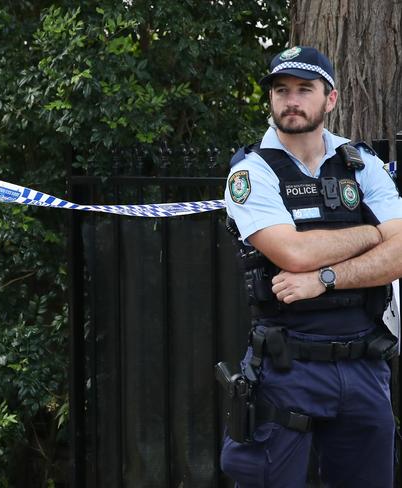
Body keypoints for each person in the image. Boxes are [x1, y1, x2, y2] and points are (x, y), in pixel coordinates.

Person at [220, 45, 402, 487]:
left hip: (365, 363)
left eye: (305, 89)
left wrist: (326, 277)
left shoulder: (361, 164)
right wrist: (373, 233)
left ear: (331, 98)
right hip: (288, 366)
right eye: (281, 90)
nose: (291, 100)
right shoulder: (252, 171)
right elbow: (293, 254)